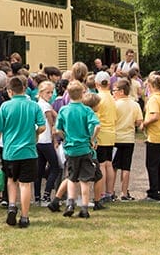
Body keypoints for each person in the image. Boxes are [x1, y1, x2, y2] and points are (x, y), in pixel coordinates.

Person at [0, 74, 46, 228]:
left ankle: (12, 206)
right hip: (29, 151)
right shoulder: (34, 106)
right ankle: (25, 216)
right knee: (26, 184)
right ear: (24, 89)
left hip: (10, 152)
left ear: (10, 91)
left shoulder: (4, 107)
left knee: (11, 181)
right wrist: (35, 133)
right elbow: (42, 126)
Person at [55, 82, 101, 218]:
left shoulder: (64, 110)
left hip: (71, 148)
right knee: (85, 180)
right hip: (85, 148)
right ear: (82, 94)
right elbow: (97, 126)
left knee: (71, 177)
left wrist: (65, 137)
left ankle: (70, 203)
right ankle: (85, 207)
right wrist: (92, 139)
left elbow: (58, 130)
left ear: (68, 94)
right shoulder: (87, 110)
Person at [108, 79, 142, 201]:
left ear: (121, 91)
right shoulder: (135, 104)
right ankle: (124, 192)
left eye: (115, 90)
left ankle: (110, 191)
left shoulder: (115, 105)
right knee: (126, 167)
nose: (113, 93)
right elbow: (139, 122)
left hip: (116, 138)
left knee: (113, 166)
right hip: (129, 139)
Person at [142, 73, 160, 202]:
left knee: (152, 165)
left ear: (150, 85)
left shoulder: (154, 99)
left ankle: (153, 192)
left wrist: (144, 123)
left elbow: (155, 115)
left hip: (155, 136)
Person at [93, 70, 117, 203]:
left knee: (101, 165)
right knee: (109, 164)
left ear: (97, 84)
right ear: (109, 83)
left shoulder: (98, 98)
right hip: (111, 132)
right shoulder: (112, 97)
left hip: (101, 133)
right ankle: (110, 192)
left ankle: (101, 193)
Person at [34, 80, 59, 205]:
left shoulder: (38, 104)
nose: (50, 95)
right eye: (48, 92)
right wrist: (54, 140)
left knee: (40, 169)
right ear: (41, 92)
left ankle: (37, 196)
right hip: (45, 140)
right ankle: (47, 194)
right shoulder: (45, 106)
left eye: (51, 92)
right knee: (55, 167)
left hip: (38, 141)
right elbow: (52, 124)